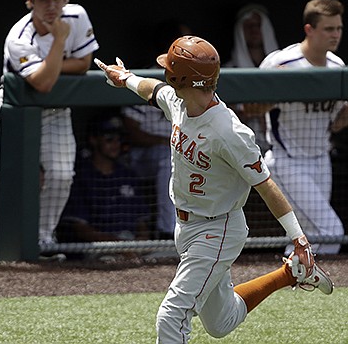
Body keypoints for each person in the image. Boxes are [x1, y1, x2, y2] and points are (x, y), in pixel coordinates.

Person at [95, 35, 333, 343]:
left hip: (217, 228)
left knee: (172, 313)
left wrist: (298, 238)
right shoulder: (180, 102)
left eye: (170, 69)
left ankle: (295, 264)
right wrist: (125, 78)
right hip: (187, 225)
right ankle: (290, 274)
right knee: (221, 322)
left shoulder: (229, 131)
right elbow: (152, 90)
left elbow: (265, 184)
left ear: (180, 77)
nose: (166, 73)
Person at [0, 0, 99, 263]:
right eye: (43, 0)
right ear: (30, 2)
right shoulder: (18, 37)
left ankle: (41, 239)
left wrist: (51, 67)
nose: (51, 6)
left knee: (62, 174)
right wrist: (58, 44)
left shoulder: (77, 16)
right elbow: (41, 84)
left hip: (55, 111)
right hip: (14, 112)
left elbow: (83, 63)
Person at [260, 0, 348, 255]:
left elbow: (336, 124)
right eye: (329, 29)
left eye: (339, 28)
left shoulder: (337, 66)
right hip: (288, 160)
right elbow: (250, 108)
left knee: (306, 236)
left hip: (321, 160)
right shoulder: (281, 64)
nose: (335, 35)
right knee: (330, 232)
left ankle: (291, 281)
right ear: (309, 29)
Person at [122, 19, 192, 240]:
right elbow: (132, 131)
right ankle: (166, 233)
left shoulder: (195, 81)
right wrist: (168, 142)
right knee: (168, 156)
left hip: (182, 151)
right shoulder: (147, 77)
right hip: (141, 157)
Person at [57, 114, 148, 246]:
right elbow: (80, 228)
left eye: (119, 140)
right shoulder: (81, 177)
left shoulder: (128, 175)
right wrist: (118, 246)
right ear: (94, 140)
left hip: (132, 244)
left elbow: (142, 222)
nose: (116, 145)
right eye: (109, 139)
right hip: (98, 249)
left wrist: (141, 243)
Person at [225, 3, 280, 153]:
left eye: (257, 25)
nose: (254, 30)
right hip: (242, 150)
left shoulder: (281, 68)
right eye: (248, 26)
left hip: (279, 148)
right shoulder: (228, 71)